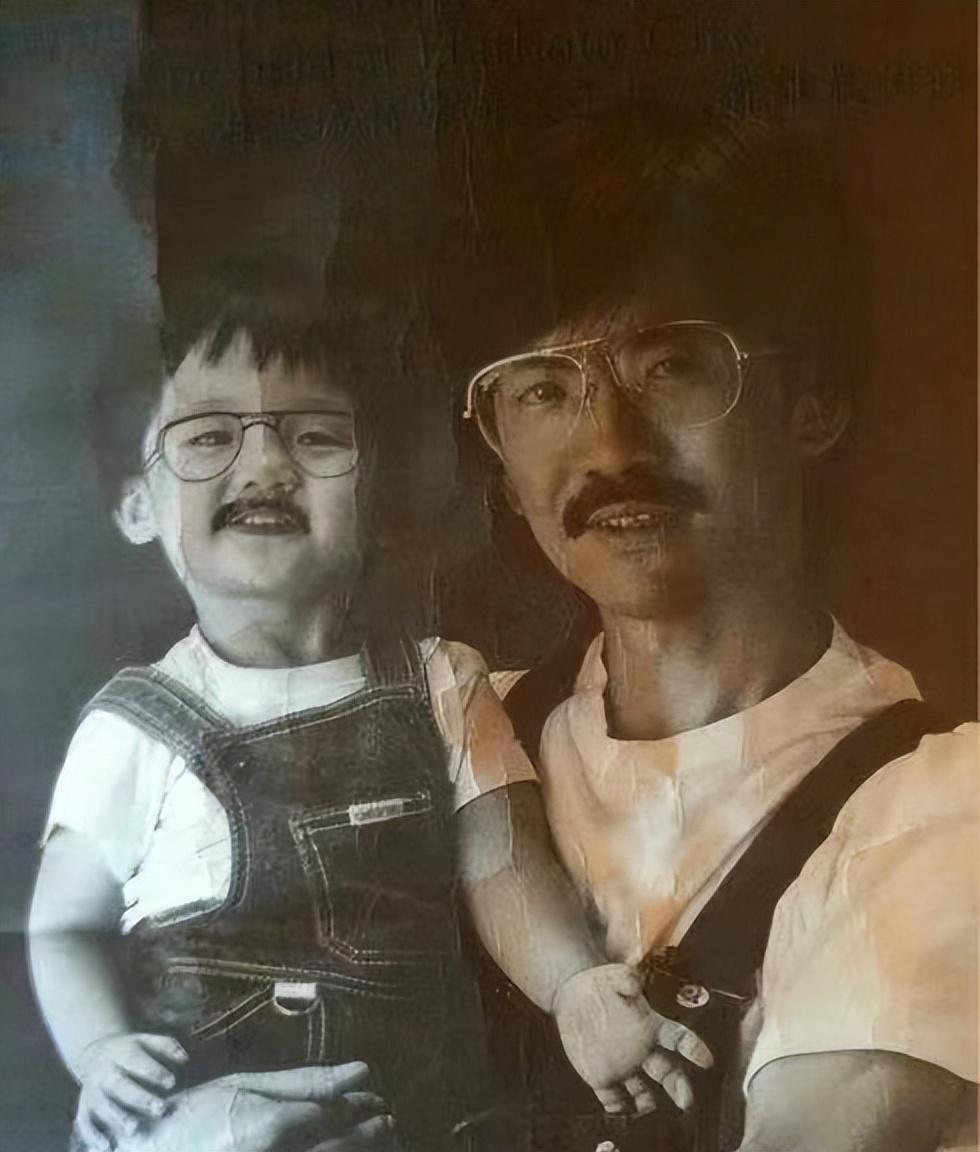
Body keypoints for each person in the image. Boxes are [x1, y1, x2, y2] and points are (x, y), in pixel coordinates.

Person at [28, 258, 712, 1152]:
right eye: (207, 437)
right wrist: (100, 1052)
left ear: (371, 492)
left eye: (316, 437)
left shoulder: (441, 682)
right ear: (135, 506)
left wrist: (573, 984)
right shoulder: (135, 727)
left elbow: (502, 869)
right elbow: (63, 928)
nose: (266, 463)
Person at [450, 106, 979, 1151]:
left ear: (810, 403)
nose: (608, 447)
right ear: (501, 461)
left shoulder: (937, 804)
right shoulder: (466, 737)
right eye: (545, 389)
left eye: (670, 366)